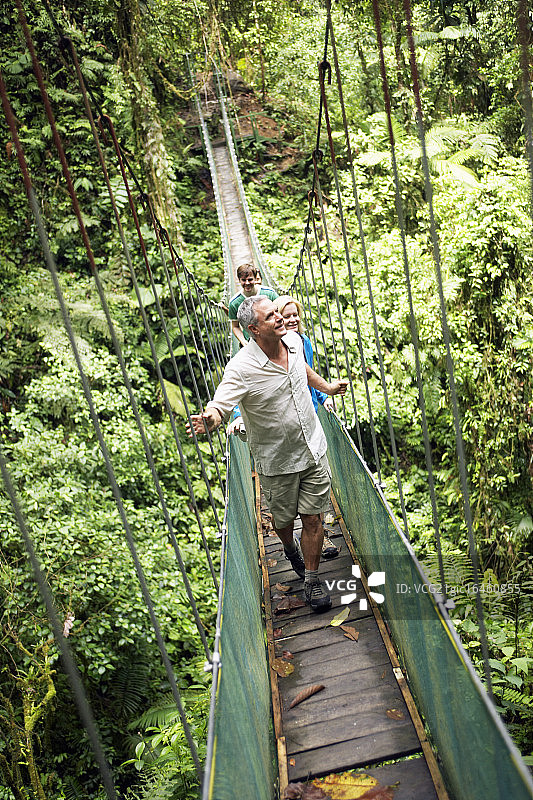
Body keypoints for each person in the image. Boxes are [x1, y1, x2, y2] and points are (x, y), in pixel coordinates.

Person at [187, 295, 348, 612]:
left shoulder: (293, 341)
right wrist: (212, 417)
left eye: (278, 311)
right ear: (253, 329)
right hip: (277, 462)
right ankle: (289, 547)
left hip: (313, 449)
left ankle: (312, 582)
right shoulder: (241, 368)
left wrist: (327, 388)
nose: (280, 318)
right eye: (271, 315)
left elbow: (302, 368)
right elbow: (222, 402)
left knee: (313, 519)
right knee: (284, 522)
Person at [274, 295, 340, 560]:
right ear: (277, 318)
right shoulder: (270, 348)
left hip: (310, 419)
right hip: (286, 431)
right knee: (291, 498)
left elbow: (309, 374)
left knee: (317, 483)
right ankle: (293, 548)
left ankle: (319, 538)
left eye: (295, 315)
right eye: (286, 315)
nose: (292, 319)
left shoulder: (305, 343)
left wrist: (324, 398)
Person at [228, 262, 278, 347]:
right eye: (243, 280)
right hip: (251, 343)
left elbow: (280, 313)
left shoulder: (270, 293)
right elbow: (235, 326)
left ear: (255, 279)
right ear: (239, 280)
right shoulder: (234, 303)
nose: (247, 283)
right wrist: (243, 341)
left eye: (250, 279)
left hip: (273, 337)